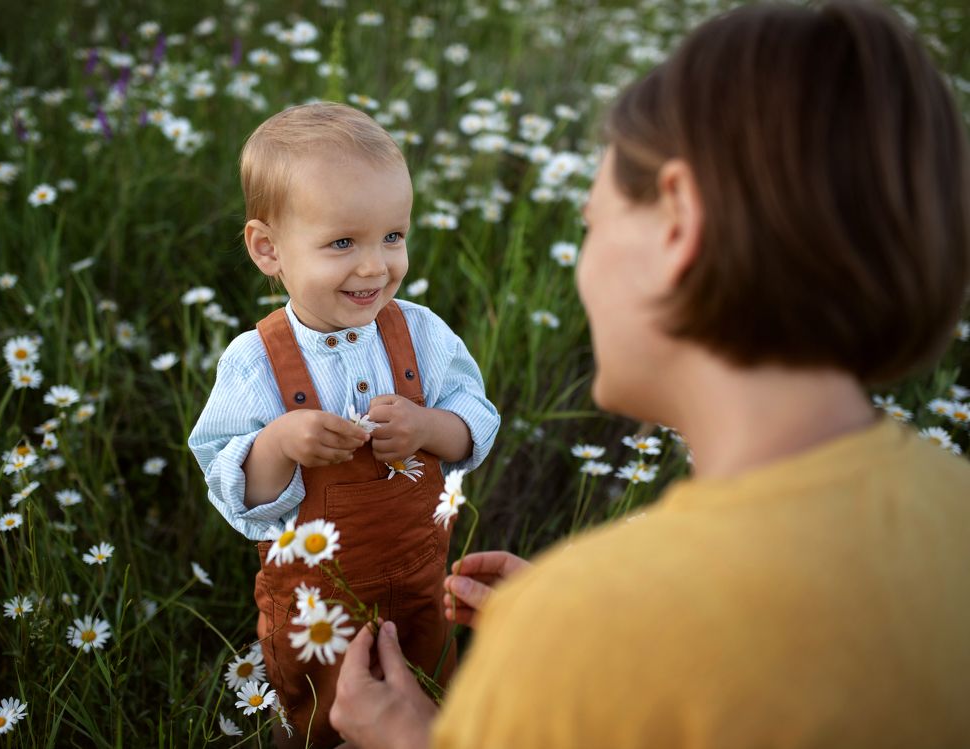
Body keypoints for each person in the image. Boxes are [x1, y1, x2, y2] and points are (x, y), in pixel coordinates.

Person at [328, 2, 970, 747]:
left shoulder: (586, 631)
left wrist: (415, 737)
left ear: (679, 223)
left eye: (592, 224)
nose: (583, 272)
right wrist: (599, 625)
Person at [188, 102, 500, 746]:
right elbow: (230, 483)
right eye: (342, 243)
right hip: (314, 605)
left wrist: (426, 426)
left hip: (418, 578)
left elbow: (476, 421)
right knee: (313, 715)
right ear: (267, 248)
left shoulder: (420, 333)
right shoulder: (255, 363)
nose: (374, 266)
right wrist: (278, 444)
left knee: (429, 684)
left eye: (393, 237)